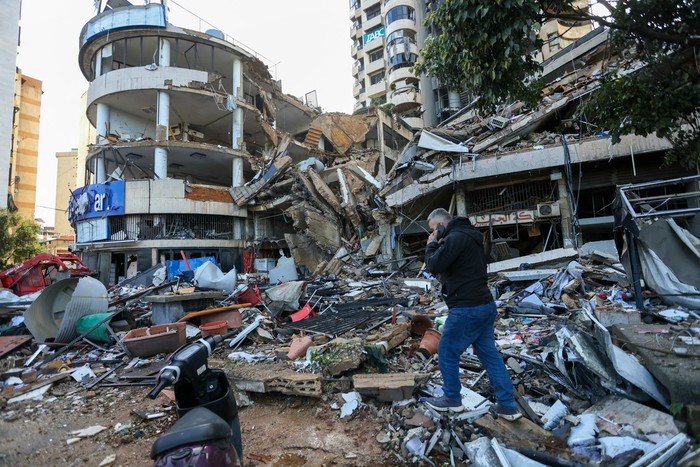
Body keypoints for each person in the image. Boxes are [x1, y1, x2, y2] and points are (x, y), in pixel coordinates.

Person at [423, 208, 521, 420]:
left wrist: (431, 244)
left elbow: (434, 265)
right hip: (485, 305)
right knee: (489, 355)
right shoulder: (470, 236)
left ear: (440, 225)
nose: (433, 233)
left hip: (467, 308)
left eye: (433, 229)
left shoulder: (456, 238)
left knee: (447, 350)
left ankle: (452, 399)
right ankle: (507, 406)